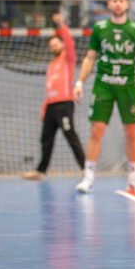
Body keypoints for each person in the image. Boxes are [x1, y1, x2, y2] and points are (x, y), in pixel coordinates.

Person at [73, 0, 135, 193]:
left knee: (131, 132)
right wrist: (79, 82)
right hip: (104, 84)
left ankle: (133, 178)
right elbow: (90, 57)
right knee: (96, 130)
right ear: (108, 4)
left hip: (128, 85)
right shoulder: (99, 28)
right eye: (114, 0)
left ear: (127, 4)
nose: (117, 4)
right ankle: (88, 177)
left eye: (121, 0)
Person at [23, 14, 85, 181]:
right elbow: (49, 88)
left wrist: (61, 24)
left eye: (56, 44)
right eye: (51, 46)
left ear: (62, 45)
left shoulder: (68, 59)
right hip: (51, 106)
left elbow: (70, 43)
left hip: (64, 104)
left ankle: (85, 168)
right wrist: (44, 107)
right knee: (45, 139)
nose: (54, 47)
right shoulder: (51, 66)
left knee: (70, 135)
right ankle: (41, 171)